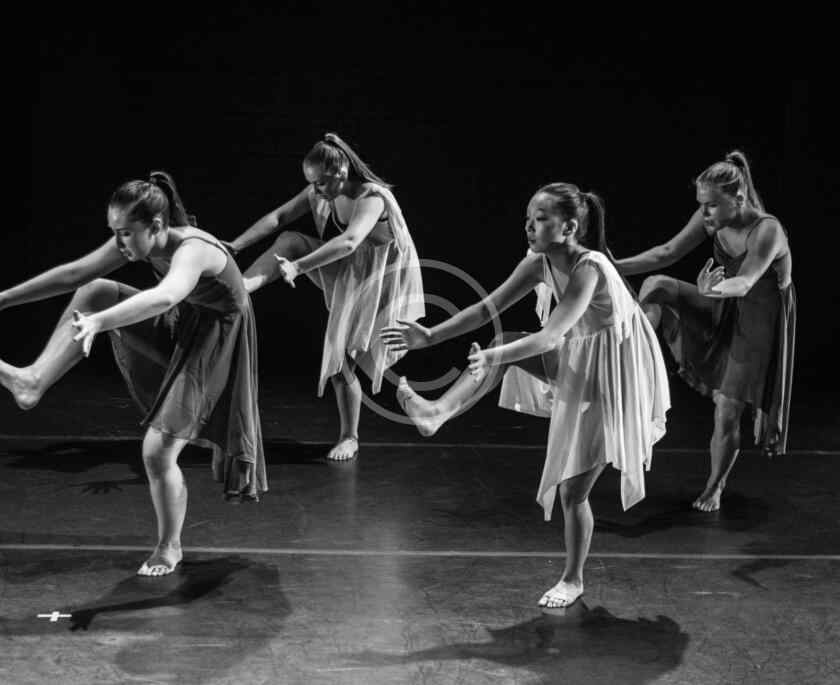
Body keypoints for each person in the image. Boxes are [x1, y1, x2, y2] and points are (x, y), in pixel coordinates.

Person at [381, 183, 669, 608]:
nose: (529, 227)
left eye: (540, 219)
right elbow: (486, 309)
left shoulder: (590, 268)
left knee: (572, 492)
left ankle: (573, 579)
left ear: (569, 228)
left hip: (615, 376)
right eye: (528, 219)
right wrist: (430, 336)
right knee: (506, 339)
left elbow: (550, 336)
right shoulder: (539, 262)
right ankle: (437, 412)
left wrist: (493, 356)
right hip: (581, 358)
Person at [0, 171, 266, 576]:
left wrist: (99, 322)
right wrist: (3, 298)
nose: (119, 243)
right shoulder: (134, 239)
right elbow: (74, 274)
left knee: (157, 451)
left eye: (125, 233)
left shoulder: (194, 249)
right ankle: (32, 380)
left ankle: (169, 546)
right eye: (115, 232)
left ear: (156, 226)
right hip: (183, 321)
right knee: (94, 289)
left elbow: (165, 296)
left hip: (217, 341)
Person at [614, 151, 795, 512]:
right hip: (722, 303)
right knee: (657, 284)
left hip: (759, 320)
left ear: (738, 199)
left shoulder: (767, 230)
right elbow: (666, 252)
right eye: (702, 204)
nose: (705, 213)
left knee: (727, 408)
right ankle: (631, 357)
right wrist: (612, 265)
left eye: (711, 205)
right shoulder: (713, 216)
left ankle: (715, 487)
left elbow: (744, 282)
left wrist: (712, 290)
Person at [226, 132, 424, 461]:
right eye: (312, 184)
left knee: (340, 357)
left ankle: (350, 437)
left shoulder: (372, 196)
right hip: (355, 269)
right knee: (289, 239)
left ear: (340, 172)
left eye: (320, 183)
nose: (316, 191)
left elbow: (350, 241)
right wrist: (235, 246)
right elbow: (278, 217)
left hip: (385, 281)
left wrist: (299, 267)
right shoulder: (323, 191)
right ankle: (239, 289)